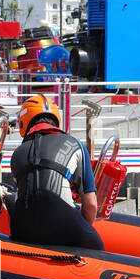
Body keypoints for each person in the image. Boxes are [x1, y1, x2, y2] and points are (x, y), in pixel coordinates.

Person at [8, 94, 103, 250]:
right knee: (98, 246)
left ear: (23, 123)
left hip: (22, 232)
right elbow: (91, 204)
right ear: (56, 120)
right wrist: (84, 233)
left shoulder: (17, 154)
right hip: (63, 226)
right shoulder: (75, 144)